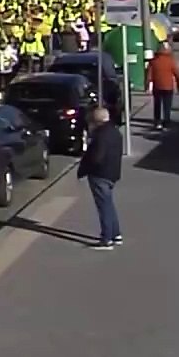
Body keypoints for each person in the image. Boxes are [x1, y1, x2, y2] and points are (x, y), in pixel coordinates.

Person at [77, 107, 123, 250]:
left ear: (96, 121)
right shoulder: (115, 132)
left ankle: (106, 239)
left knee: (103, 207)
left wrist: (86, 167)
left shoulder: (100, 135)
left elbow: (97, 157)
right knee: (108, 204)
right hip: (112, 173)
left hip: (100, 174)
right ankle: (116, 234)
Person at [146, 41, 179, 131]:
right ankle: (166, 122)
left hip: (157, 86)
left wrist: (147, 85)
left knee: (157, 105)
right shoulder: (171, 61)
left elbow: (149, 75)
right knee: (167, 106)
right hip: (168, 87)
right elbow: (178, 74)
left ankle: (157, 122)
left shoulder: (153, 61)